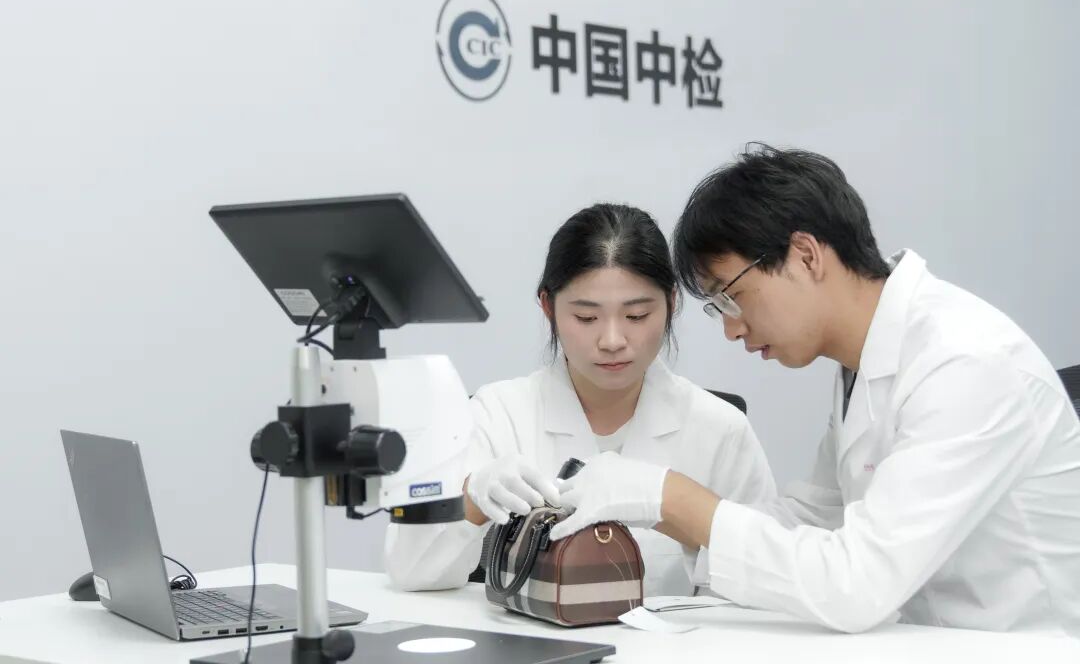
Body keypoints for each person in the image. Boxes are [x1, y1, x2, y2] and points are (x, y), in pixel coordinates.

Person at [550, 144, 1080, 634]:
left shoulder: (963, 362)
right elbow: (814, 518)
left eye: (730, 296)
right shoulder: (864, 364)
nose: (731, 328)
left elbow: (857, 586)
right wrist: (660, 512)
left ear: (805, 255)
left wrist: (672, 497)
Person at [384, 202, 776, 596]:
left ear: (671, 303)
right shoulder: (497, 413)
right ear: (548, 307)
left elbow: (764, 578)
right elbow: (411, 572)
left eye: (637, 315)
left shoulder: (719, 429)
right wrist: (471, 498)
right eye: (586, 318)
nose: (612, 340)